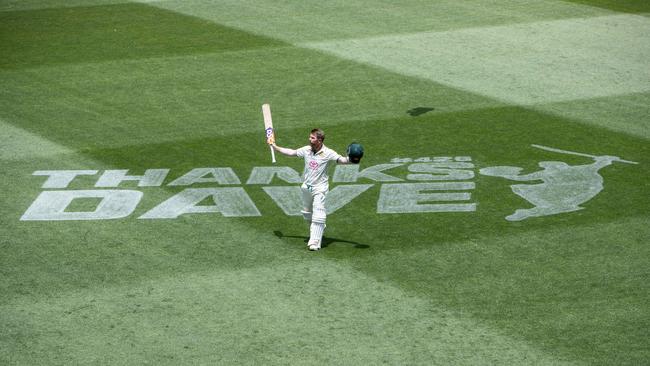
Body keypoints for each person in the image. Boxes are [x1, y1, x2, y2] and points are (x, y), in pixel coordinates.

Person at [271, 128, 361, 251]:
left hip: (320, 188)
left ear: (320, 140)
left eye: (312, 138)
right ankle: (319, 228)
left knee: (318, 212)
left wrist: (352, 159)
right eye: (310, 137)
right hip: (306, 187)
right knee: (307, 213)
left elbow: (342, 160)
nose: (309, 139)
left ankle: (314, 242)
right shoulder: (306, 150)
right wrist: (275, 147)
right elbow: (291, 152)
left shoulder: (328, 153)